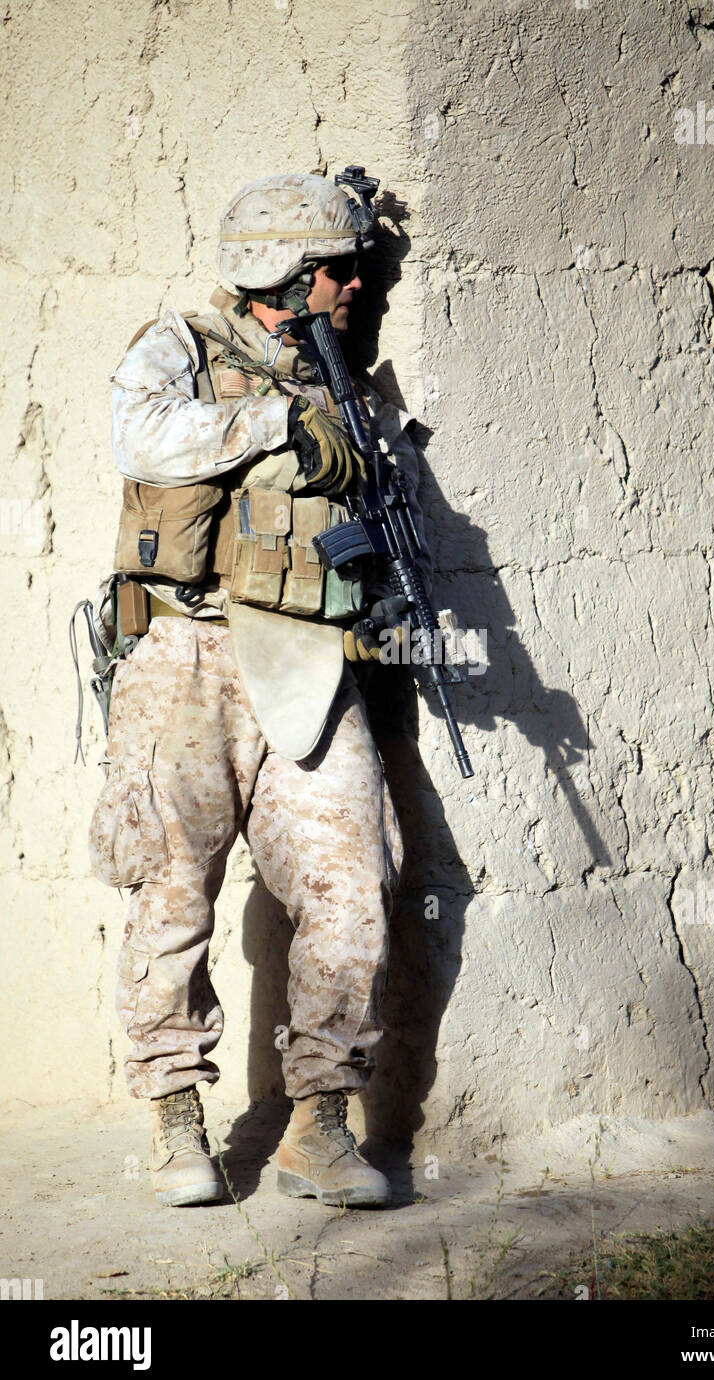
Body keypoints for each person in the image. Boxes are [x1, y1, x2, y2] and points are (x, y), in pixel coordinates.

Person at [89, 169, 430, 1210]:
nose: (355, 291)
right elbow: (138, 436)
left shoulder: (351, 377)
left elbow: (384, 500)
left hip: (304, 653)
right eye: (341, 272)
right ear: (291, 271)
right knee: (170, 887)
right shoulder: (182, 348)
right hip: (180, 657)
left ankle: (318, 1124)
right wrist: (280, 424)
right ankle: (173, 1116)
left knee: (350, 878)